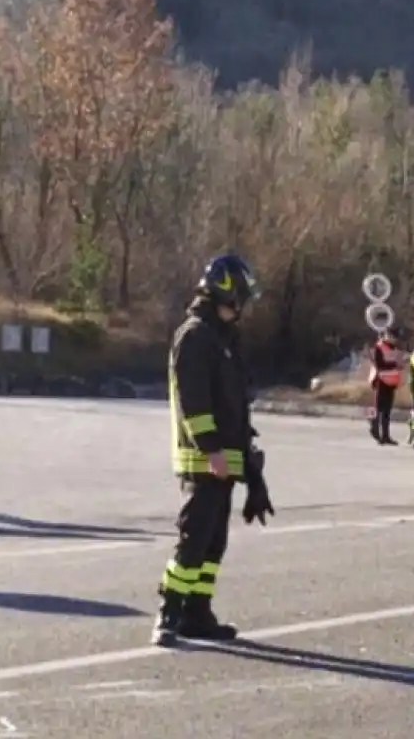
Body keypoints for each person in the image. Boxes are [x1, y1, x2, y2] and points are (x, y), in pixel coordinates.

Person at [153, 252, 276, 647]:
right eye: (242, 296)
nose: (244, 305)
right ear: (228, 292)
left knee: (213, 544)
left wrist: (253, 471)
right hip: (204, 460)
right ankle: (168, 613)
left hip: (225, 459)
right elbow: (195, 402)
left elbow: (235, 406)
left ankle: (197, 613)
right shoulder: (195, 335)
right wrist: (211, 451)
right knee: (194, 539)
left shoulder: (225, 339)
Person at [368, 324, 406, 445]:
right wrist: (395, 365)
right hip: (380, 381)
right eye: (393, 337)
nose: (395, 339)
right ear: (387, 335)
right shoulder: (378, 347)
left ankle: (386, 436)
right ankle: (374, 426)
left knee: (387, 412)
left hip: (391, 383)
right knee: (379, 409)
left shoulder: (394, 348)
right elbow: (380, 365)